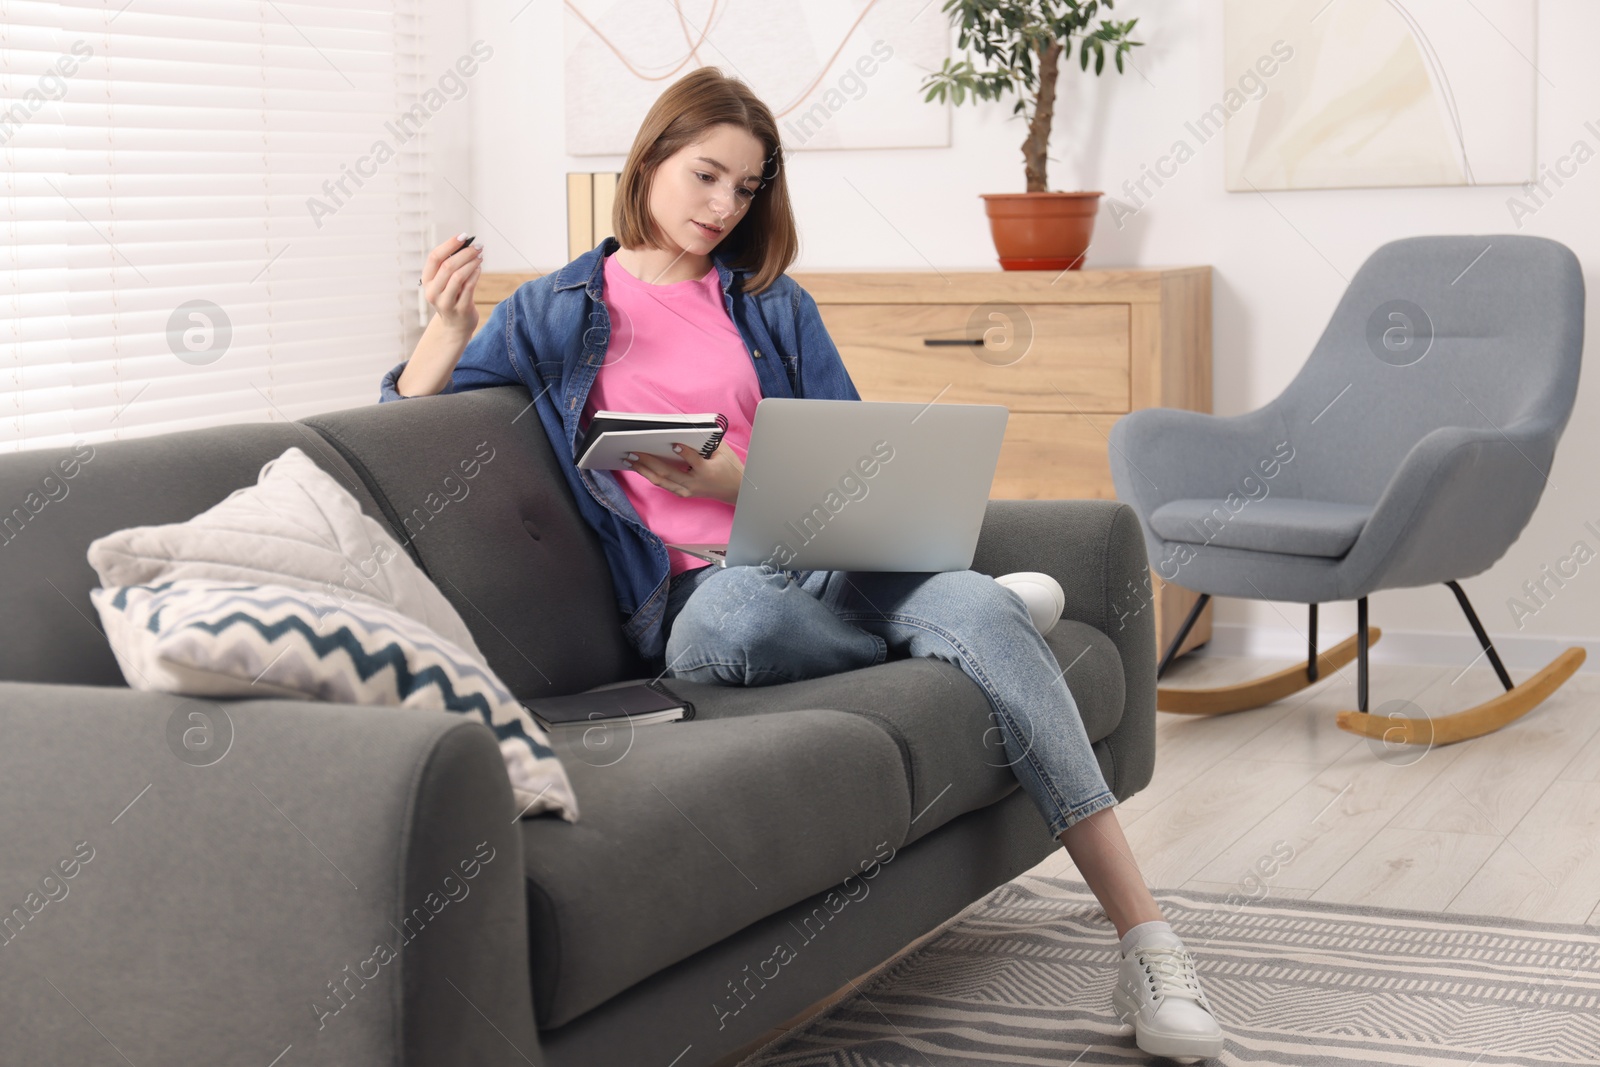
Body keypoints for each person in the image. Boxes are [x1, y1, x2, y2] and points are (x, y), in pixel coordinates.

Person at [382, 66, 1224, 1062]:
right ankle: (968, 619)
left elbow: (864, 473)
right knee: (739, 624)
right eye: (704, 176)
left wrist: (735, 476)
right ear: (647, 161)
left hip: (829, 558)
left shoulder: (772, 304)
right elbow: (415, 436)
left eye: (742, 188)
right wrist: (442, 330)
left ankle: (1147, 942)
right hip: (701, 590)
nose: (720, 206)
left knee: (944, 611)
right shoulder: (554, 309)